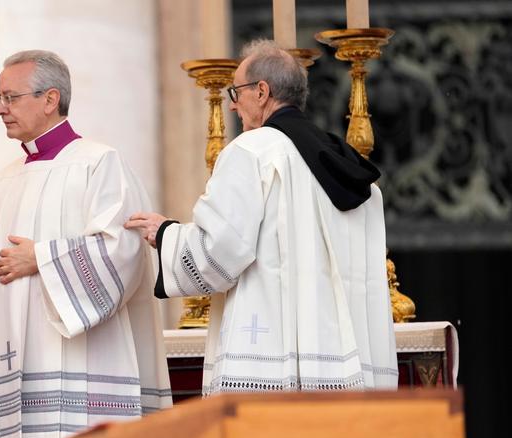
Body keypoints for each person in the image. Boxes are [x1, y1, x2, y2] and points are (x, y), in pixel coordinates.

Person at [0, 49, 172, 438]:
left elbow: (122, 251)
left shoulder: (100, 163)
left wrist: (44, 259)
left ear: (50, 99)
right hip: (15, 384)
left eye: (9, 97)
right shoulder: (3, 180)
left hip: (81, 382)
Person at [125, 40, 398, 393]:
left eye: (234, 93)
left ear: (262, 91)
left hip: (272, 371)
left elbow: (220, 252)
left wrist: (166, 234)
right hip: (348, 370)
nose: (233, 105)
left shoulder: (250, 152)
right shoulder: (346, 162)